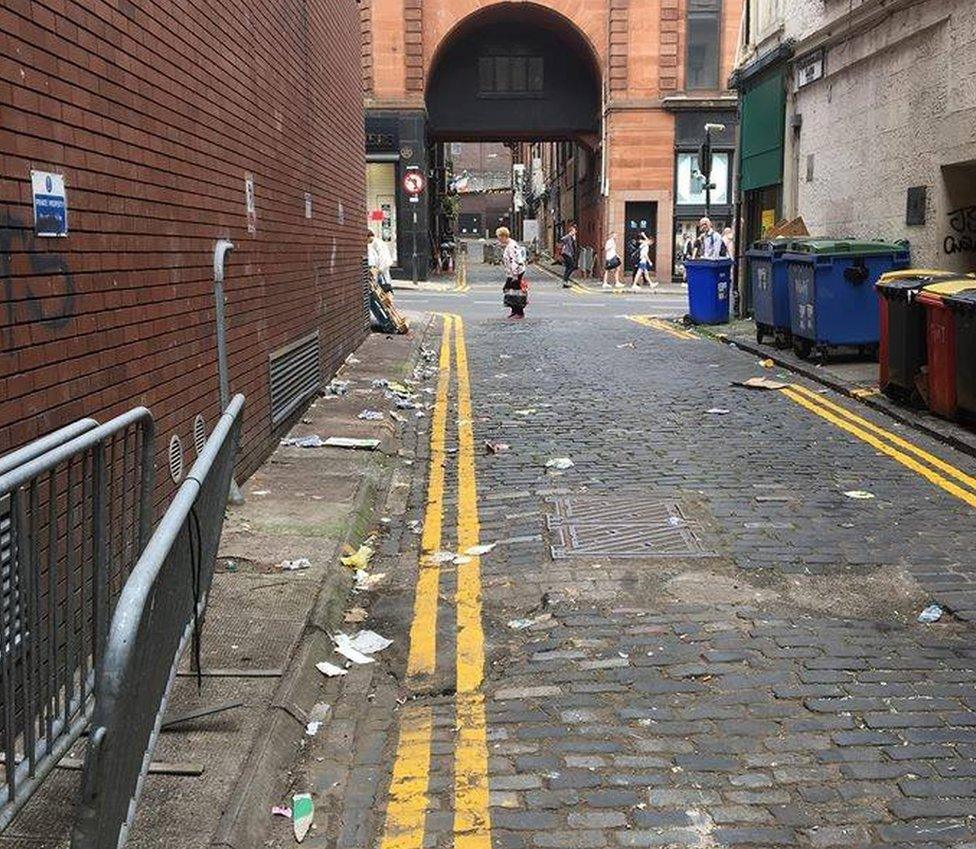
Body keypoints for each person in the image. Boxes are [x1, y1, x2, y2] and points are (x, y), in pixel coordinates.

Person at [497, 227, 527, 319]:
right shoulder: (511, 244)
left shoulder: (511, 246)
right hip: (515, 272)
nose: (498, 239)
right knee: (512, 292)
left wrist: (514, 275)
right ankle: (514, 311)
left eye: (499, 237)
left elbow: (514, 261)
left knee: (515, 292)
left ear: (503, 236)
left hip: (516, 272)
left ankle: (519, 312)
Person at [558, 223, 579, 288]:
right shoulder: (568, 237)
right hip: (566, 253)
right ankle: (565, 280)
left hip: (568, 254)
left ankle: (565, 282)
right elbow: (562, 239)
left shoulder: (572, 238)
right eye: (574, 231)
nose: (575, 232)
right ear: (571, 231)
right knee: (572, 266)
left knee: (568, 267)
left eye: (575, 231)